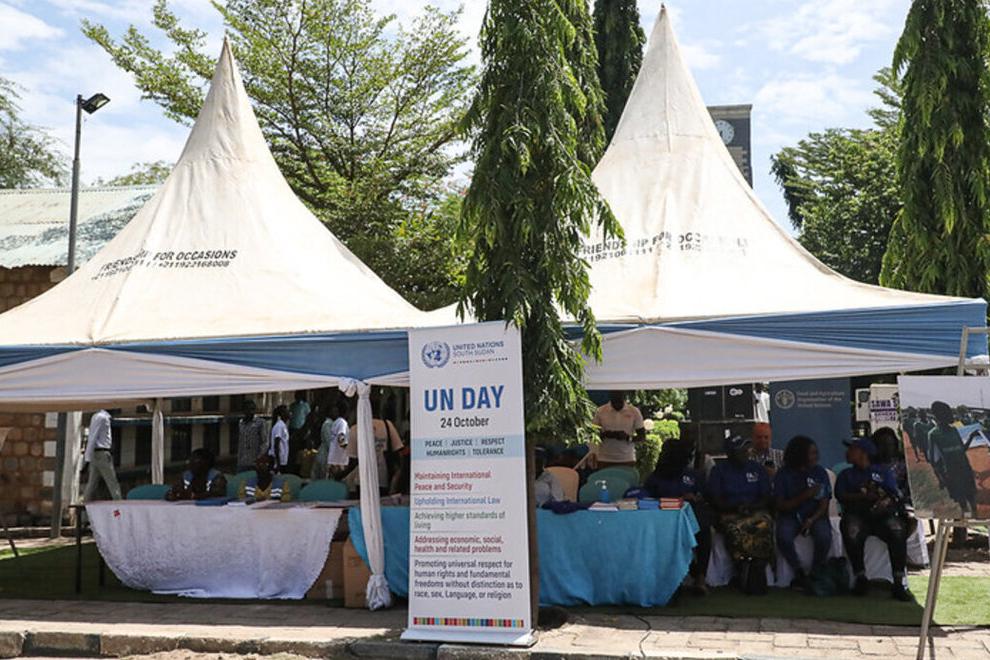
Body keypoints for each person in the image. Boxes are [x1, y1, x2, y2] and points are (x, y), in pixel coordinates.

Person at [834, 438, 912, 601]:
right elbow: (841, 496)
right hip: (857, 515)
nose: (847, 452)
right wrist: (862, 496)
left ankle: (898, 582)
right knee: (851, 529)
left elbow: (895, 494)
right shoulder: (846, 475)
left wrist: (885, 501)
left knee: (897, 529)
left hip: (882, 517)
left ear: (863, 453)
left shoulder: (882, 472)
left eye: (852, 449)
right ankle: (860, 577)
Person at [707, 434, 773, 591]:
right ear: (730, 453)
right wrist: (735, 508)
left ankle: (758, 567)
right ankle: (742, 566)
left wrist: (752, 507)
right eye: (741, 450)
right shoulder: (719, 471)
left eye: (746, 449)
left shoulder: (757, 469)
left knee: (764, 524)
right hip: (729, 513)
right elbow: (715, 499)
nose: (746, 452)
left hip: (755, 511)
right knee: (736, 530)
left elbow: (766, 496)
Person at [645, 438, 711, 595]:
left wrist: (695, 497)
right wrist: (677, 499)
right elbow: (648, 501)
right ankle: (684, 575)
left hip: (690, 520)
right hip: (663, 522)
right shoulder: (656, 478)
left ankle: (700, 578)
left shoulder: (692, 475)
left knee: (704, 531)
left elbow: (703, 496)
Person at [774, 435, 833, 590]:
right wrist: (805, 495)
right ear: (800, 455)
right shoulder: (783, 474)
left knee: (824, 537)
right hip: (791, 515)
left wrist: (812, 519)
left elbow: (824, 503)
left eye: (816, 452)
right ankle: (798, 571)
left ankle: (815, 572)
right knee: (783, 536)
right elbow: (781, 505)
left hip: (816, 515)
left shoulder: (819, 472)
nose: (816, 457)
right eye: (812, 453)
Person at [928, 400, 978, 515]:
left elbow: (962, 449)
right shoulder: (933, 435)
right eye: (947, 413)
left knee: (972, 498)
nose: (951, 415)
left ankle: (975, 516)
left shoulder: (954, 430)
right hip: (952, 475)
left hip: (965, 471)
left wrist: (971, 437)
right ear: (939, 415)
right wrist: (941, 479)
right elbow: (934, 461)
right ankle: (966, 519)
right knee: (963, 503)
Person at [341, 406, 404, 495]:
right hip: (383, 478)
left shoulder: (355, 428)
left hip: (362, 479)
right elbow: (398, 451)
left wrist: (340, 475)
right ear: (379, 411)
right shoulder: (387, 425)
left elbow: (353, 461)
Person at [590, 391, 646, 468]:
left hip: (627, 459)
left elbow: (642, 437)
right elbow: (592, 435)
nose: (617, 395)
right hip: (604, 458)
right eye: (615, 392)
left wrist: (627, 437)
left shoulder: (634, 411)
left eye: (620, 392)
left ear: (624, 394)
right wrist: (605, 434)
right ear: (610, 394)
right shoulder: (600, 411)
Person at [82, 409, 122, 501]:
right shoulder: (103, 417)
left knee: (92, 483)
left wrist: (87, 458)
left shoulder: (97, 416)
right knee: (112, 482)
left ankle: (85, 503)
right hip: (102, 453)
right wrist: (87, 459)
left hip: (95, 453)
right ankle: (119, 503)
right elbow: (93, 437)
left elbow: (92, 437)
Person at [313, 400, 350, 480]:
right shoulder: (337, 423)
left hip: (330, 457)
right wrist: (347, 449)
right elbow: (339, 439)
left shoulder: (335, 423)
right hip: (327, 456)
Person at [235, 399, 267, 474]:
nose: (251, 412)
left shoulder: (260, 422)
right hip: (242, 461)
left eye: (252, 409)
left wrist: (259, 457)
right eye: (248, 409)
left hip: (255, 462)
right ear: (244, 410)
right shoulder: (241, 423)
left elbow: (264, 442)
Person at [269, 405, 291, 473]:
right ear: (282, 414)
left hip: (283, 459)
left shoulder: (283, 425)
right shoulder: (279, 426)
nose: (290, 413)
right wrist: (278, 462)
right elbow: (276, 444)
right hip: (279, 460)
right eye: (287, 411)